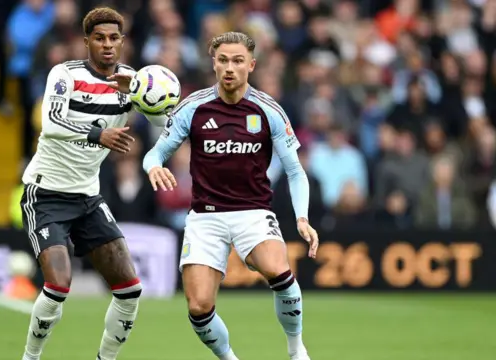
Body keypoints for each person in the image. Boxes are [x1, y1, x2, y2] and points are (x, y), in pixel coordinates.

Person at [142, 32, 320, 360]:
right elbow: (154, 154)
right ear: (213, 63)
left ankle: (296, 349)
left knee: (279, 271)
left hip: (252, 211)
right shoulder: (192, 107)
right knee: (198, 307)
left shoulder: (268, 111)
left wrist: (302, 218)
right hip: (205, 217)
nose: (229, 67)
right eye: (223, 60)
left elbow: (295, 171)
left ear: (251, 65)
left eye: (237, 61)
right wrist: (153, 166)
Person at [18, 7, 167, 360]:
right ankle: (30, 357)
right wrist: (98, 134)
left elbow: (164, 127)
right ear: (86, 42)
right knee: (58, 286)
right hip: (46, 194)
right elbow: (51, 124)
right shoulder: (64, 74)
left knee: (130, 290)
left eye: (114, 38)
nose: (108, 45)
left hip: (87, 197)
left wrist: (156, 101)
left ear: (123, 41)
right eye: (99, 38)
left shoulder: (132, 82)